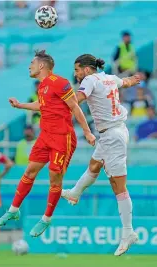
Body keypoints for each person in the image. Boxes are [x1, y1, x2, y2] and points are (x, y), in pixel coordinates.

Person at [0, 50, 96, 237]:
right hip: (45, 136)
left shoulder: (60, 82)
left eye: (32, 63)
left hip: (62, 138)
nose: (29, 66)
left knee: (54, 179)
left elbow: (75, 106)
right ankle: (14, 209)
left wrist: (88, 132)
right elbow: (42, 105)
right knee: (29, 171)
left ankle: (46, 219)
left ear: (41, 65)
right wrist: (20, 105)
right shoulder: (42, 87)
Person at [61, 54, 141, 256]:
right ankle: (76, 192)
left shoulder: (89, 80)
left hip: (112, 135)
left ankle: (128, 233)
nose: (76, 74)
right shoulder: (109, 77)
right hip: (113, 132)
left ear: (87, 69)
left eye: (77, 70)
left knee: (118, 186)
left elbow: (78, 98)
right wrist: (135, 80)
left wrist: (59, 100)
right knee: (95, 165)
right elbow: (126, 82)